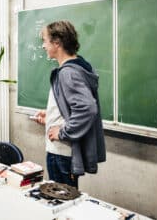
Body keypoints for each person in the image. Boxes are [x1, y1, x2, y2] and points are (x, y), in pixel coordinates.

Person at [32, 20, 106, 188]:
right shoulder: (77, 68)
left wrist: (63, 132)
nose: (43, 46)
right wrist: (50, 115)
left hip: (61, 152)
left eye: (45, 40)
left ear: (57, 42)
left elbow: (87, 108)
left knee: (62, 203)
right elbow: (71, 107)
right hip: (62, 152)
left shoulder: (68, 73)